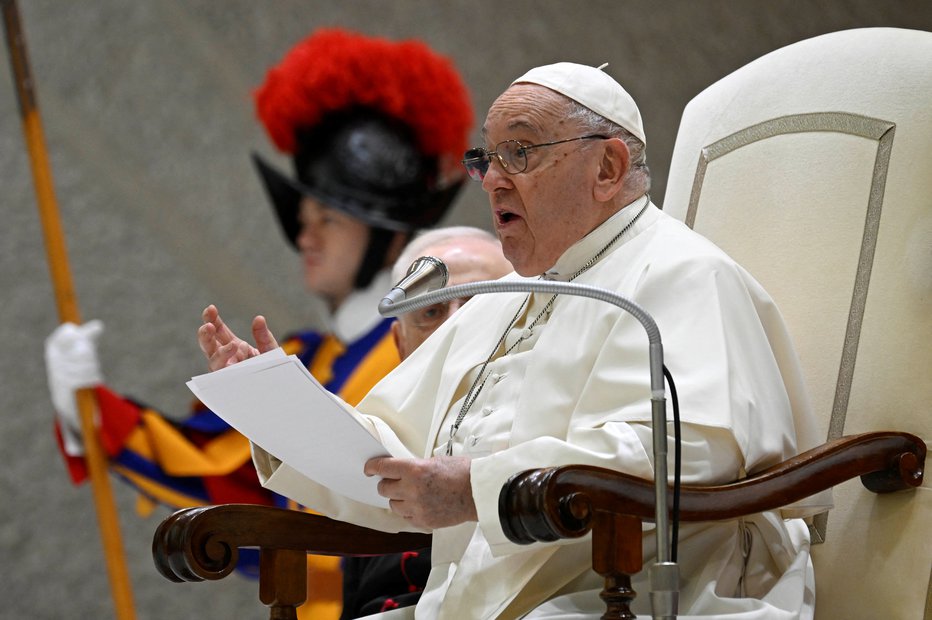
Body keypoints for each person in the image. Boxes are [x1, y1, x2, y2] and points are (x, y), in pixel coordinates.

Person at [198, 62, 824, 619]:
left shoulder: (683, 274)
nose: (492, 180)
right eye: (486, 159)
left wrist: (474, 485)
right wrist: (275, 409)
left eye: (519, 154)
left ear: (606, 167)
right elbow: (392, 457)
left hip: (632, 594)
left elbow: (692, 450)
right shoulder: (509, 297)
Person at [43, 28, 473, 620]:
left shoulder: (425, 348)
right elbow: (226, 479)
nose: (306, 234)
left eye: (330, 217)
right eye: (304, 215)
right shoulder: (313, 356)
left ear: (388, 234)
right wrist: (86, 407)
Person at [340, 225, 513, 619]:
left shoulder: (560, 402)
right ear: (400, 345)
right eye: (432, 311)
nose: (454, 325)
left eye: (476, 304)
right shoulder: (377, 435)